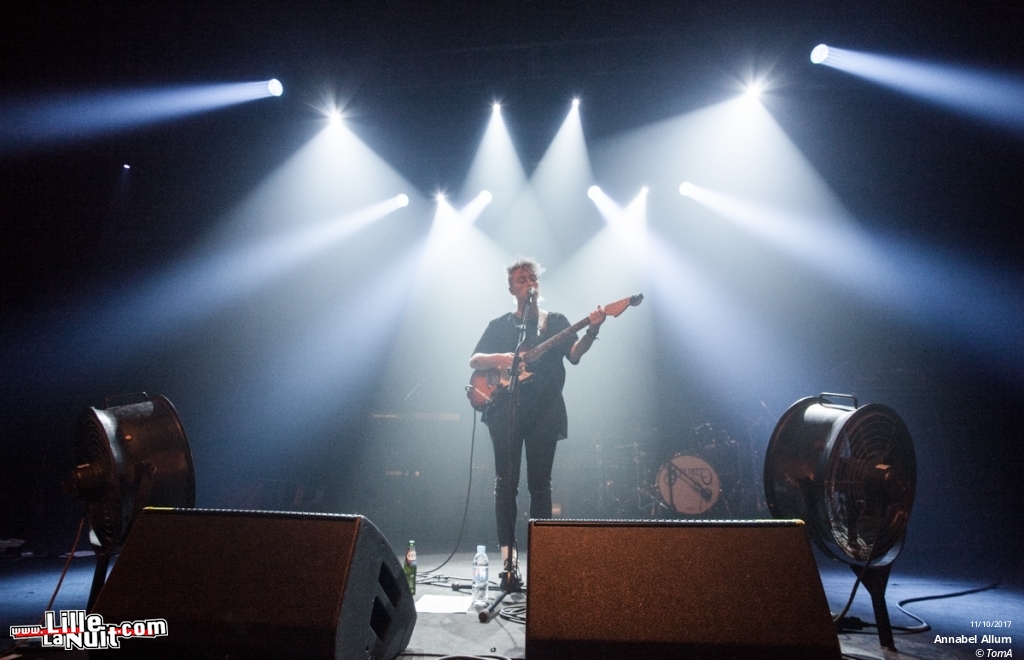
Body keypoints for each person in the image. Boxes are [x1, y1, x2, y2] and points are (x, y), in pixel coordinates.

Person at [469, 257, 606, 592]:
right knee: (506, 485)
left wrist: (593, 328)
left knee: (540, 487)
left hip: (545, 412)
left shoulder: (554, 321)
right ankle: (508, 564)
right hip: (504, 411)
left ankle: (541, 561)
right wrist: (504, 359)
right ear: (512, 288)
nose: (528, 282)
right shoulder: (501, 325)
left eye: (532, 278)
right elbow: (475, 360)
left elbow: (574, 354)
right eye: (521, 278)